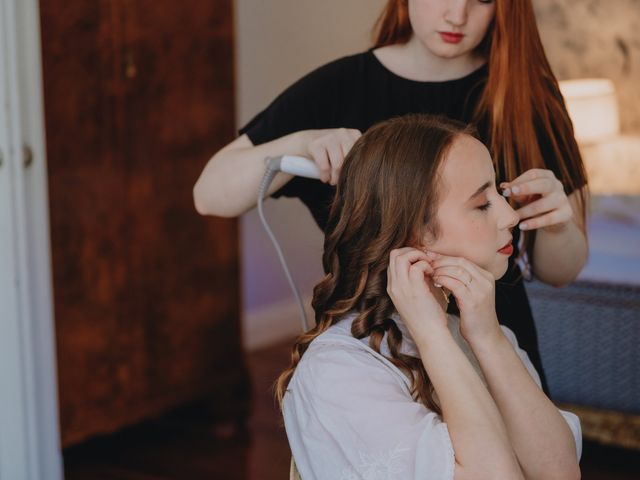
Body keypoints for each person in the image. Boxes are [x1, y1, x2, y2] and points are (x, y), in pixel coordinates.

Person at [193, 0, 589, 393]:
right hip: (375, 355)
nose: (457, 15)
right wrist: (301, 142)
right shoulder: (337, 88)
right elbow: (209, 196)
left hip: (496, 344)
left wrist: (556, 226)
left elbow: (560, 272)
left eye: (482, 0)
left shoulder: (523, 94)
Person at [276, 114, 582, 480]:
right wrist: (433, 336)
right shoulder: (339, 372)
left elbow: (561, 473)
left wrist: (488, 337)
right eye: (482, 204)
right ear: (415, 235)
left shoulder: (479, 334)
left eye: (498, 195)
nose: (509, 216)